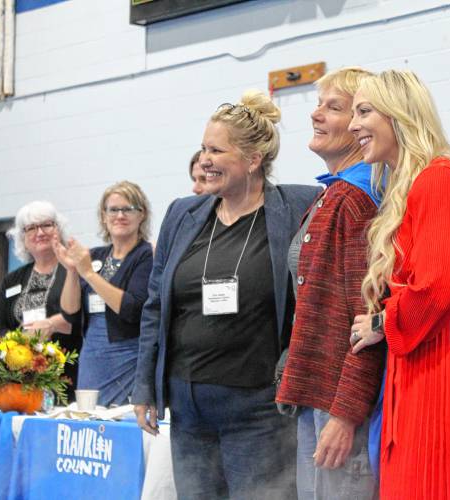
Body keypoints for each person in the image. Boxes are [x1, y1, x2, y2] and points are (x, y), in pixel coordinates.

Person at [132, 90, 320, 500]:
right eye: (203, 149)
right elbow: (155, 304)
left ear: (253, 160)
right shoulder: (183, 213)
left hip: (258, 411)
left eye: (216, 150)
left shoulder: (298, 207)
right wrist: (145, 385)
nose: (204, 160)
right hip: (188, 408)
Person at [348, 70, 450, 499]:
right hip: (426, 362)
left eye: (365, 111)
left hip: (445, 367)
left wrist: (380, 324)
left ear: (400, 114)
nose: (352, 124)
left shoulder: (438, 180)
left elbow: (436, 289)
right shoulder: (417, 184)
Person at [275, 67, 384, 500]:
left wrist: (346, 414)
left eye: (333, 108)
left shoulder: (355, 199)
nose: (316, 115)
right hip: (320, 399)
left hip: (339, 408)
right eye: (319, 105)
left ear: (361, 127)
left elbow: (368, 320)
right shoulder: (333, 193)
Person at [55, 181, 153, 407]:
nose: (120, 215)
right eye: (113, 209)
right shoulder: (96, 255)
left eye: (128, 209)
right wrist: (72, 271)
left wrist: (88, 273)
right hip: (92, 354)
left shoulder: (145, 255)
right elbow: (70, 312)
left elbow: (132, 308)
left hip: (126, 355)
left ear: (142, 215)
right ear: (103, 216)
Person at [0, 201, 81, 400]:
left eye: (47, 225)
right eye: (31, 228)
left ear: (59, 230)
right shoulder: (12, 279)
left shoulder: (74, 271)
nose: (40, 233)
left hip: (64, 379)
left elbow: (81, 318)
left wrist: (51, 325)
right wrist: (21, 340)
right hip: (17, 379)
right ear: (23, 239)